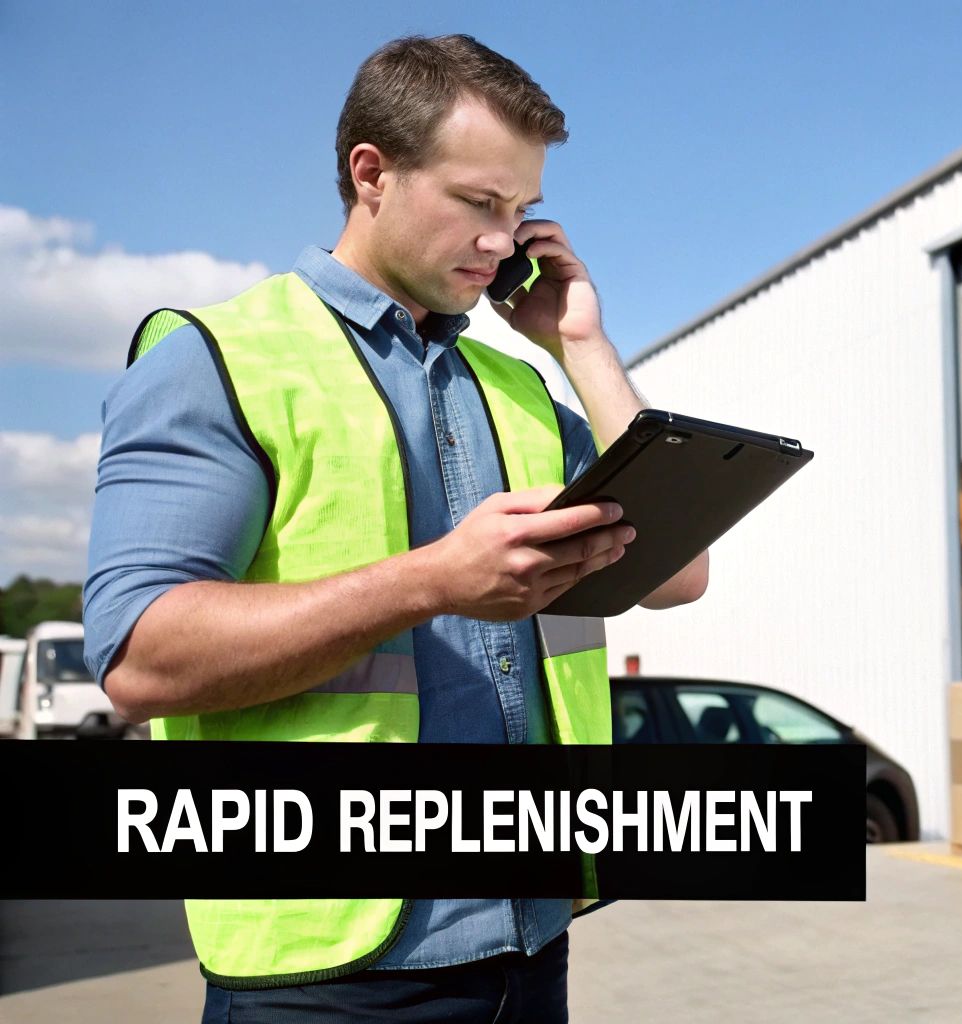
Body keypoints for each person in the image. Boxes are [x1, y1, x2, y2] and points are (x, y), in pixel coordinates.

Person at [82, 33, 705, 1022]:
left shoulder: (522, 388)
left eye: (521, 212)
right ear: (370, 173)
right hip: (326, 976)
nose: (503, 243)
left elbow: (678, 570)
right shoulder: (220, 357)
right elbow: (140, 657)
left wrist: (581, 343)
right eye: (477, 203)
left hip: (530, 942)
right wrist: (427, 582)